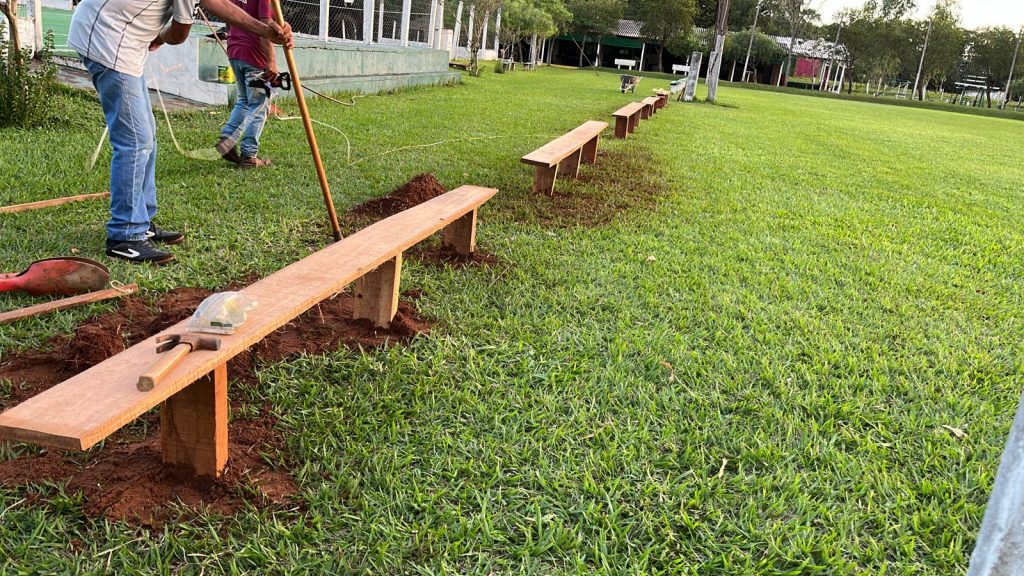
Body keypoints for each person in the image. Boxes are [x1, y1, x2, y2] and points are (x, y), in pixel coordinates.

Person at [68, 0, 293, 264]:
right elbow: (179, 32)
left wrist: (264, 30)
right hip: (108, 41)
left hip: (123, 42)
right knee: (135, 142)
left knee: (146, 137)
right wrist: (161, 37)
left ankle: (141, 222)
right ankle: (124, 236)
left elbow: (216, 2)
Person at [216, 0, 278, 169]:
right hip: (254, 55)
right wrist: (271, 61)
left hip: (235, 50)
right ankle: (249, 156)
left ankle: (227, 139)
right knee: (259, 106)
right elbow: (266, 24)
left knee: (244, 101)